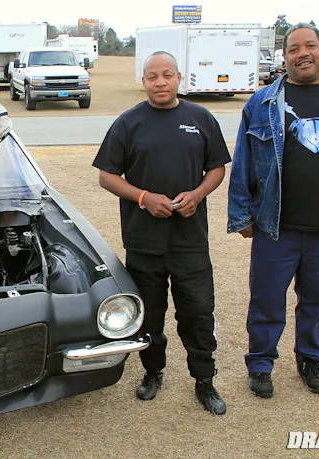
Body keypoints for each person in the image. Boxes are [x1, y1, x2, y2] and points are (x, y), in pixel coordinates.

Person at [227, 23, 319, 399]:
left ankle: (310, 359)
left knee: (317, 298)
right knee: (266, 300)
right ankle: (261, 363)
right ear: (285, 57)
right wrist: (242, 215)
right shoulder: (261, 102)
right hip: (273, 225)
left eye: (310, 46)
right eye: (294, 48)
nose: (302, 53)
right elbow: (243, 161)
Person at [92, 51, 231, 415]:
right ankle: (153, 372)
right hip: (144, 244)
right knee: (150, 316)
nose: (160, 82)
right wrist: (143, 197)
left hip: (190, 242)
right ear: (143, 81)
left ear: (179, 78)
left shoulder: (201, 118)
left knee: (198, 314)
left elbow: (217, 168)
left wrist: (198, 194)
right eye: (152, 76)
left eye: (167, 75)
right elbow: (107, 176)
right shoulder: (128, 123)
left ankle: (204, 380)